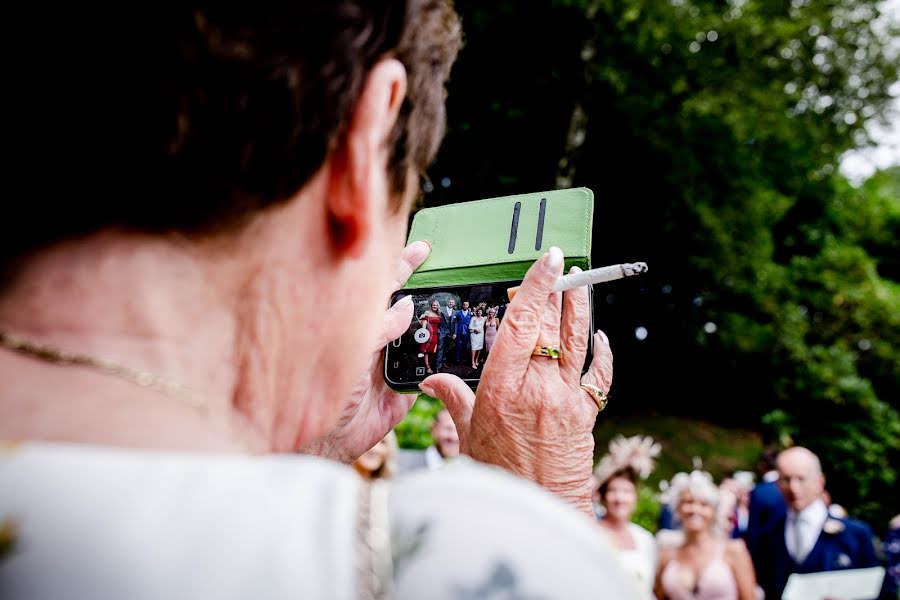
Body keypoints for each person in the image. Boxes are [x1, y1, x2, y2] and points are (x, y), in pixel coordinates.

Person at [0, 4, 635, 599]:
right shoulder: (426, 563)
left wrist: (300, 451)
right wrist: (540, 507)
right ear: (365, 145)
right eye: (407, 207)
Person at [754, 446, 878, 600]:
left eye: (801, 478)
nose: (793, 488)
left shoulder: (856, 534)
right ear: (778, 484)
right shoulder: (769, 534)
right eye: (786, 479)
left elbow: (876, 591)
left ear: (819, 481)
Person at [655, 470, 758, 600]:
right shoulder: (668, 554)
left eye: (704, 504)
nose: (695, 509)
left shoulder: (733, 551)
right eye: (688, 502)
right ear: (678, 508)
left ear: (714, 512)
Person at [593, 435, 661, 599]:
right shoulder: (592, 531)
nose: (619, 498)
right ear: (602, 497)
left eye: (626, 491)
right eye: (613, 491)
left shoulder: (645, 539)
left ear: (635, 498)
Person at [746, 446, 786, 567]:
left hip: (766, 557)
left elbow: (753, 530)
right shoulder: (791, 488)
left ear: (762, 465)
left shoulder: (759, 492)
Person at [418, 300, 442, 374]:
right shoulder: (427, 313)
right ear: (431, 306)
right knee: (426, 351)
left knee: (433, 351)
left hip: (435, 335)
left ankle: (430, 365)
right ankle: (428, 367)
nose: (435, 306)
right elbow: (424, 325)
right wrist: (424, 334)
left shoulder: (438, 314)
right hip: (428, 334)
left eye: (436, 305)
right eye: (433, 305)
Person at [435, 297, 456, 370]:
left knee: (446, 348)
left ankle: (443, 363)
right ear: (447, 303)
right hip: (441, 331)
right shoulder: (441, 309)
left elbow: (455, 323)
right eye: (450, 302)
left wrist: (454, 333)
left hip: (449, 333)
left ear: (454, 304)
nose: (451, 303)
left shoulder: (455, 312)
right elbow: (434, 314)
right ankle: (438, 366)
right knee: (440, 348)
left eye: (452, 302)